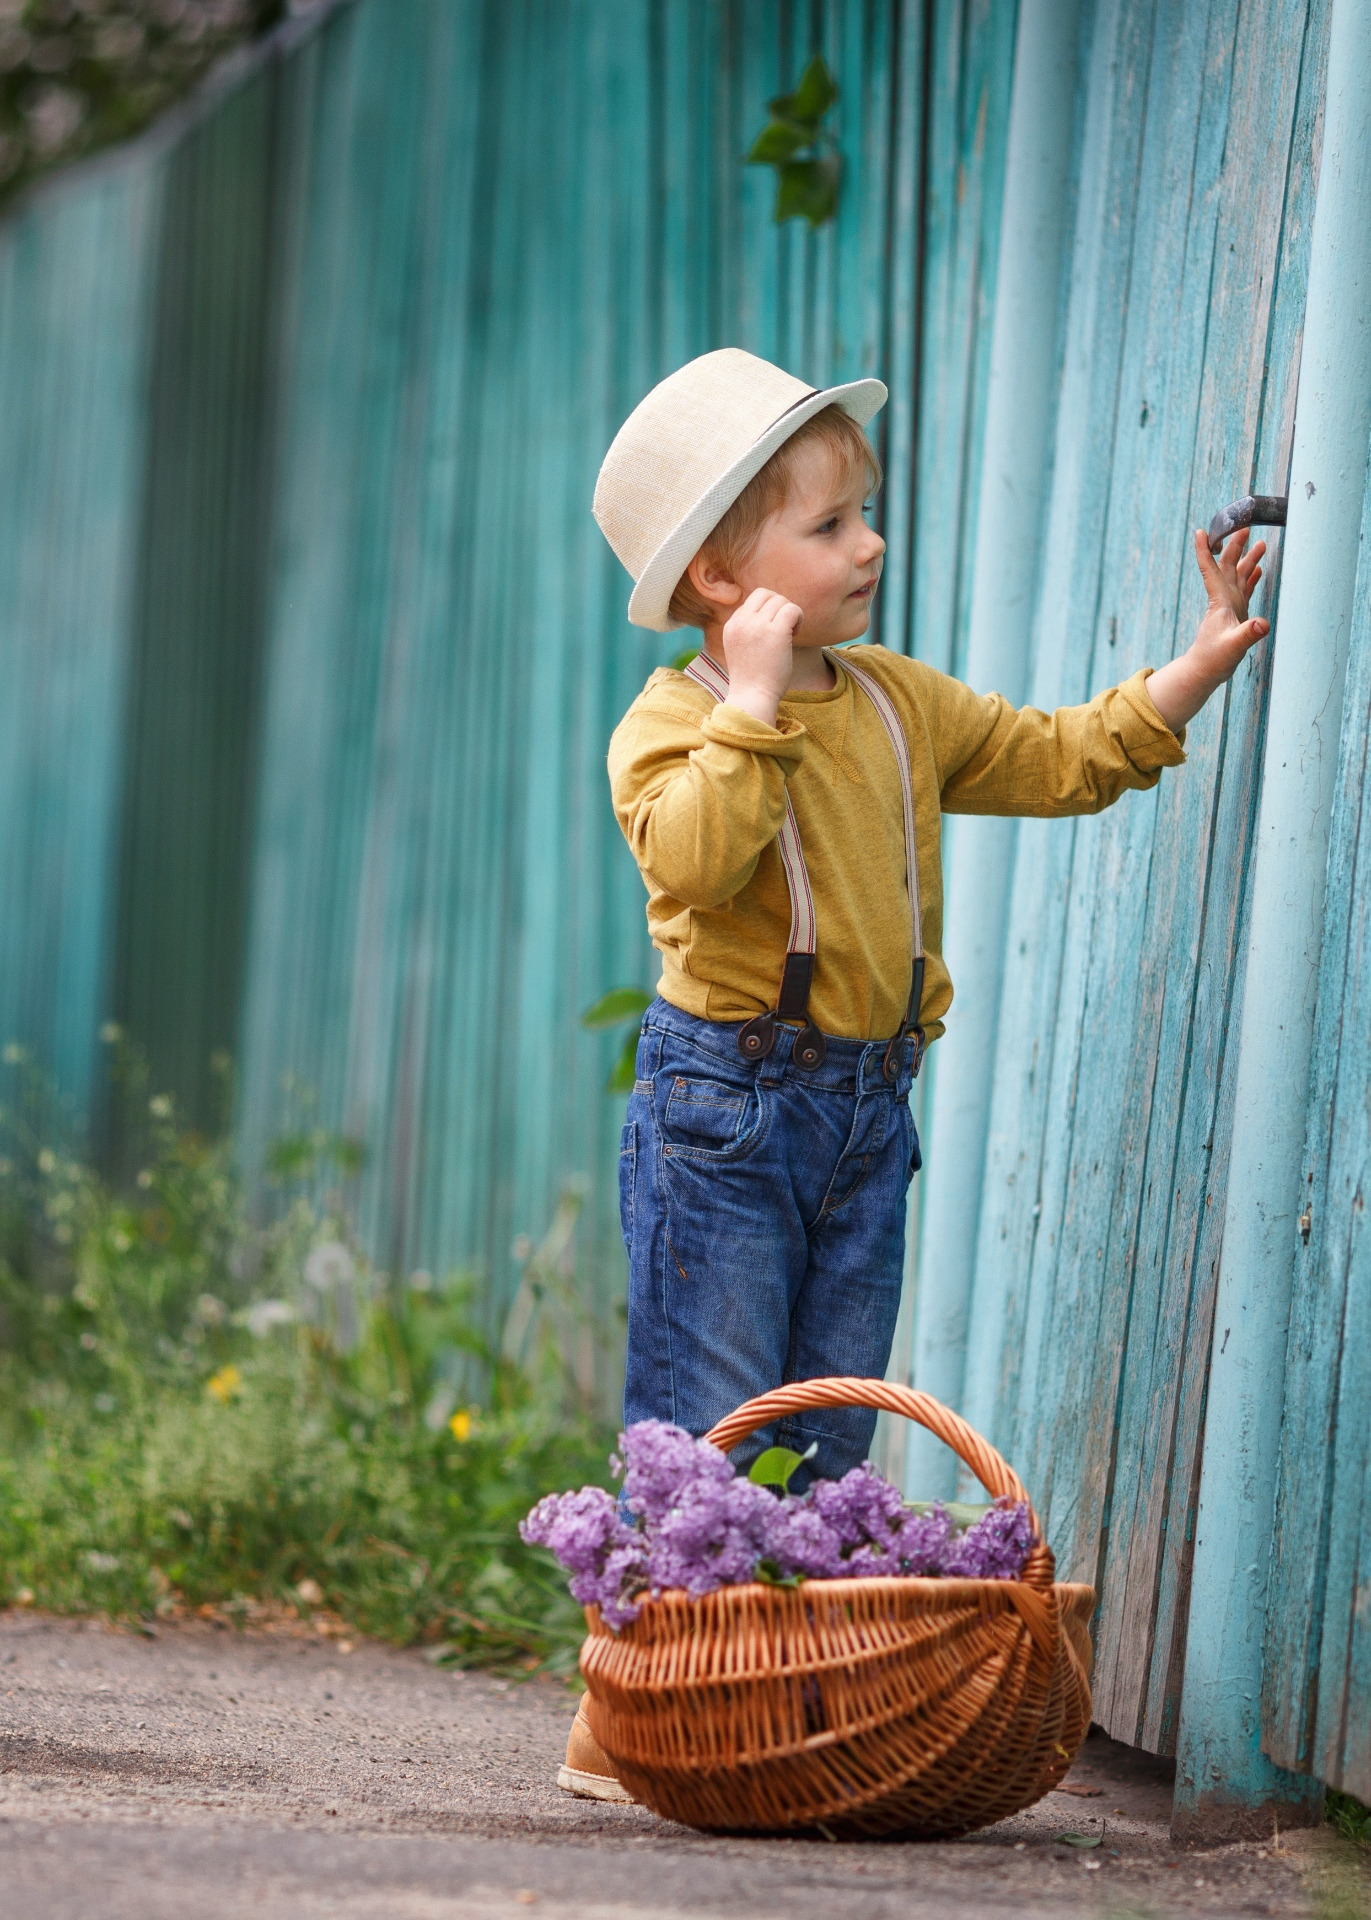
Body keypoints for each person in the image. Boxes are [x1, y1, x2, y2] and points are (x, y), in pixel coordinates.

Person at [556, 347, 1267, 1799]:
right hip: (725, 1115)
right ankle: (626, 1707)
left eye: (861, 514)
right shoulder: (675, 723)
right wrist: (751, 706)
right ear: (718, 581)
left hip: (867, 1115)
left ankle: (787, 1706)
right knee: (712, 1418)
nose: (869, 543)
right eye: (827, 527)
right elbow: (695, 855)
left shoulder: (894, 702)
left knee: (827, 1427)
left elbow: (1058, 755)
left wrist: (1196, 663)